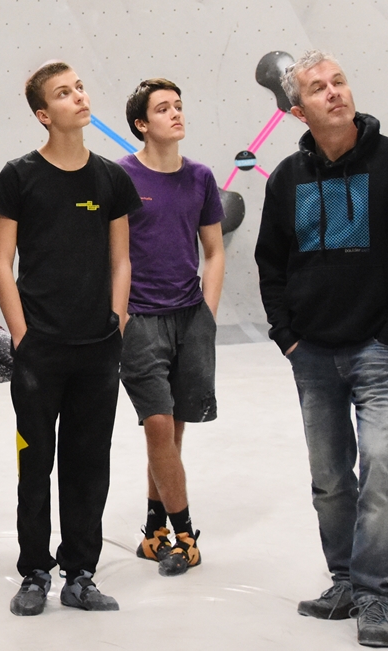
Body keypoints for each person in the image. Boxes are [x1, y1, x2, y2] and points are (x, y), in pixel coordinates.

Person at [255, 50, 388, 649]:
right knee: (330, 478)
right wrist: (286, 334)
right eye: (319, 88)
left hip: (379, 352)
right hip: (311, 353)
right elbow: (270, 261)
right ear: (298, 110)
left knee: (381, 472)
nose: (335, 92)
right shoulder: (288, 178)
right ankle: (343, 579)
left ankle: (373, 595)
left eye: (340, 80)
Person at [0, 60, 140, 617]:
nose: (79, 96)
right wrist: (23, 336)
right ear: (43, 114)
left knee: (87, 463)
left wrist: (117, 319)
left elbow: (122, 259)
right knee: (36, 464)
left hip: (98, 349)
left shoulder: (112, 179)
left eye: (80, 86)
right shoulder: (19, 176)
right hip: (39, 352)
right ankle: (34, 572)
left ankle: (81, 572)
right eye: (63, 93)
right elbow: (2, 263)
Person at [116, 78, 224, 576]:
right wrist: (118, 318)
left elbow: (214, 250)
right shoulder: (121, 178)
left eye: (179, 105)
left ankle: (153, 530)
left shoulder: (200, 177)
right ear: (142, 124)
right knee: (158, 425)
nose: (176, 114)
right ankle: (185, 536)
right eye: (164, 108)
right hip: (140, 321)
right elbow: (110, 256)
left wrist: (208, 314)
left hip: (190, 318)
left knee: (172, 436)